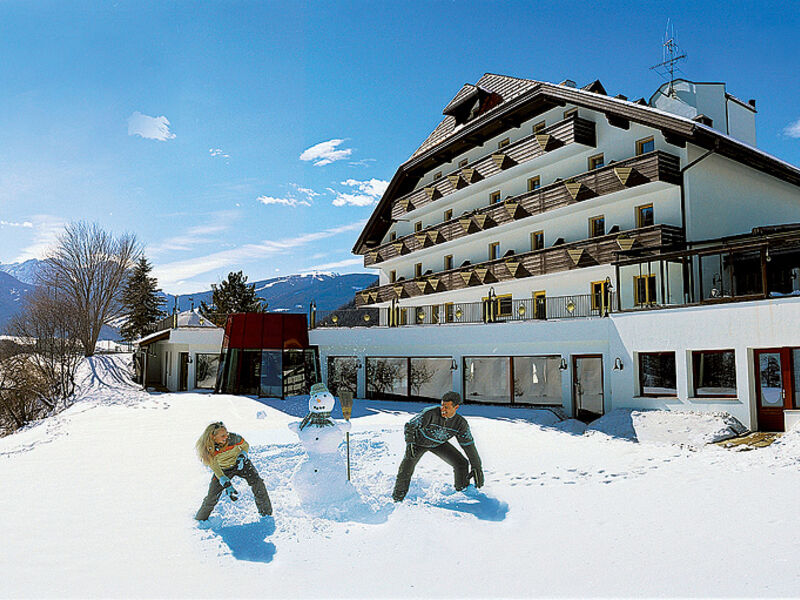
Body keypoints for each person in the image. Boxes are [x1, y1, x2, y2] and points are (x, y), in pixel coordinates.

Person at [392, 391, 484, 502]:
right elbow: (410, 425)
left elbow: (469, 445)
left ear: (456, 407)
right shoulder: (430, 413)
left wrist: (477, 466)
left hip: (438, 444)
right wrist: (410, 442)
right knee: (406, 468)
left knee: (461, 463)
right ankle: (397, 498)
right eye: (442, 406)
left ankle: (463, 492)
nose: (443, 409)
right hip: (418, 443)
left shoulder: (460, 423)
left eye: (447, 407)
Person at [194, 421, 272, 521]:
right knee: (212, 496)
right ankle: (200, 520)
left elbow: (245, 445)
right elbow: (214, 466)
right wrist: (225, 482)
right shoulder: (209, 448)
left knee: (258, 482)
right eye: (222, 435)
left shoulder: (234, 438)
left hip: (241, 463)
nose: (226, 436)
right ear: (213, 437)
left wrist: (242, 455)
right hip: (223, 469)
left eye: (226, 433)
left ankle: (266, 514)